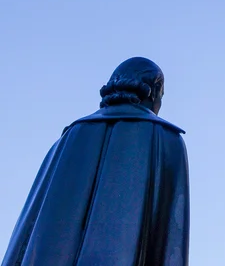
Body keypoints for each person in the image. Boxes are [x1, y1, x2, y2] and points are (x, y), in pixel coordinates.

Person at [1, 57, 190, 266]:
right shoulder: (166, 138)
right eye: (161, 96)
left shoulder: (68, 138)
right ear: (153, 90)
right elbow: (169, 239)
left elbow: (28, 236)